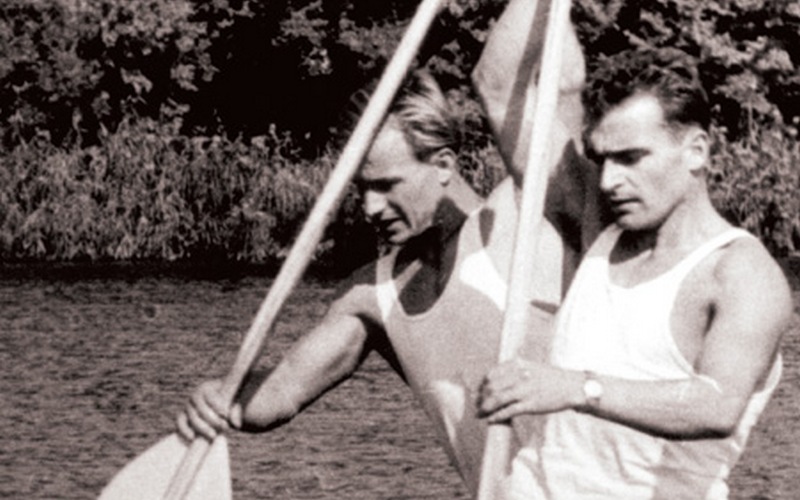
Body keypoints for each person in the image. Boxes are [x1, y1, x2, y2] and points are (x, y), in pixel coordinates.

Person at [175, 7, 593, 493]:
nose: (371, 207)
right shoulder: (374, 295)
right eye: (361, 189)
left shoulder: (531, 215)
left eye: (386, 185)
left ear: (444, 164)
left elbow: (551, 85)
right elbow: (280, 394)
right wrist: (221, 397)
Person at [477, 45, 794, 498]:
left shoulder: (742, 273)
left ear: (696, 151)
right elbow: (497, 83)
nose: (609, 181)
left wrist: (578, 388)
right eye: (601, 159)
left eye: (630, 158)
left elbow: (717, 406)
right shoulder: (599, 232)